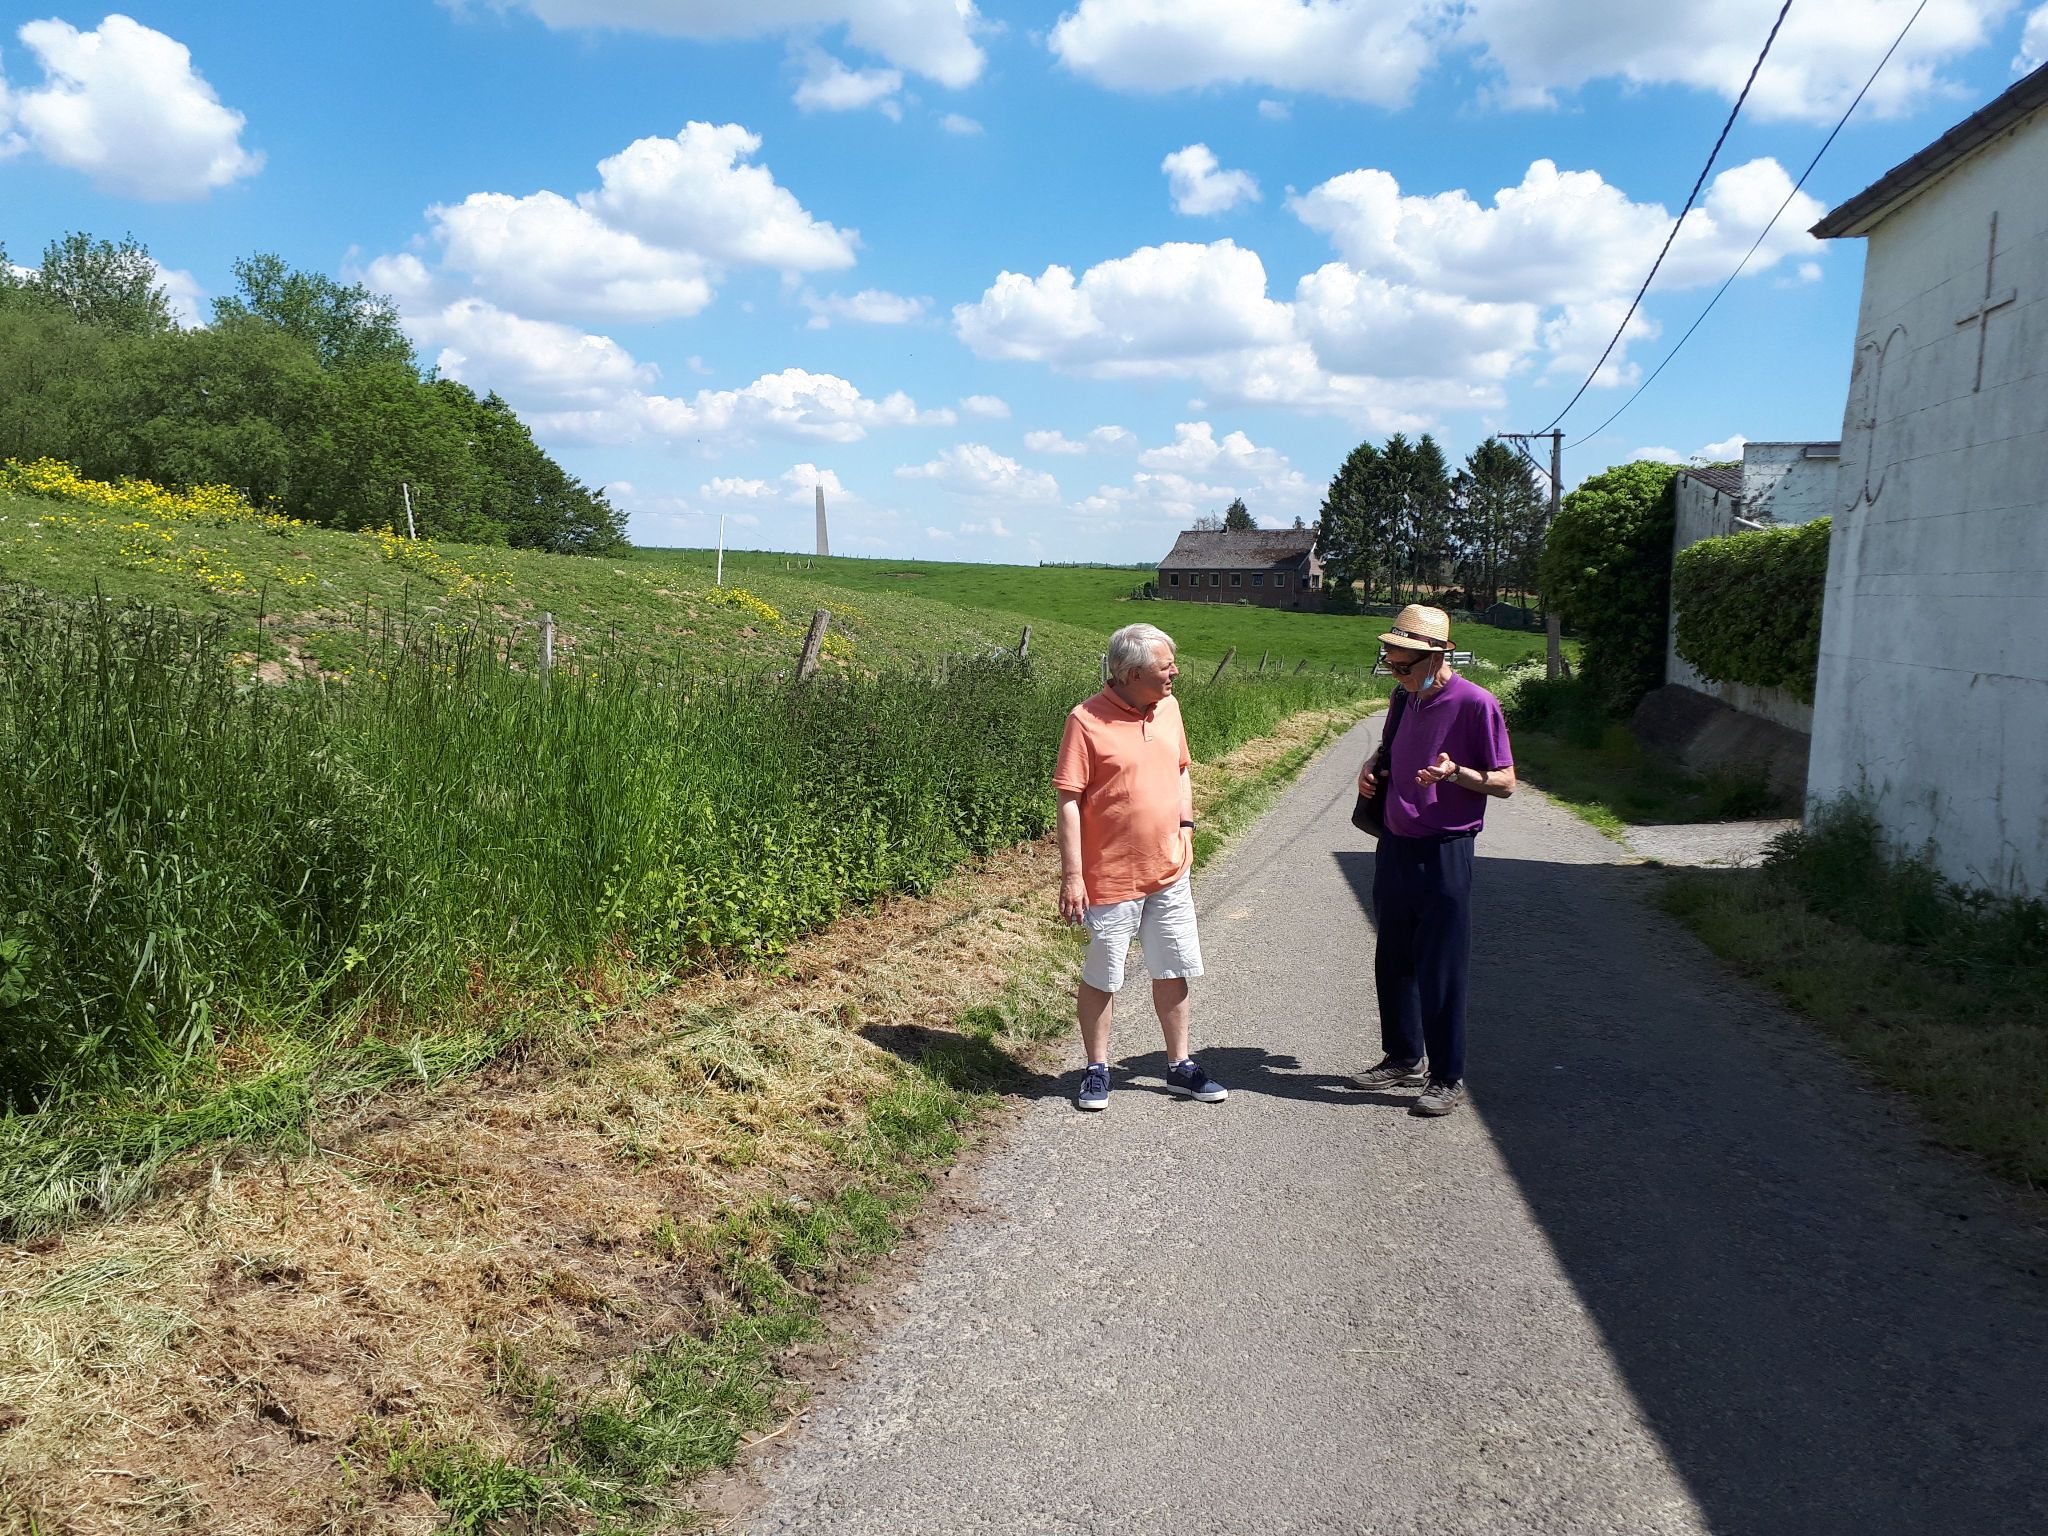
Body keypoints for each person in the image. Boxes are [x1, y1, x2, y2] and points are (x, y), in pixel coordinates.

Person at [1053, 623, 1226, 1112]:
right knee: (1104, 974)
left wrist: (1186, 826)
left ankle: (1180, 1065)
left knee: (1173, 966)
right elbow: (1069, 801)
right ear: (1131, 673)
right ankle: (1096, 1068)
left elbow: (1181, 770)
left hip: (1169, 870)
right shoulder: (1085, 720)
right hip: (1110, 878)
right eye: (1166, 666)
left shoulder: (1168, 708)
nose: (1176, 672)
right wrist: (1072, 876)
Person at [1352, 604, 1516, 1116]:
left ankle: (1447, 1076)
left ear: (1438, 656)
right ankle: (1403, 1056)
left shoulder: (1476, 704)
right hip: (1395, 843)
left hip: (1446, 848)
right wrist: (1370, 766)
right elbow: (1388, 750)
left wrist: (1456, 773)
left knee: (1441, 966)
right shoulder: (1403, 698)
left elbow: (1506, 782)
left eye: (1404, 666)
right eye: (1391, 663)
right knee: (1393, 957)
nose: (1396, 674)